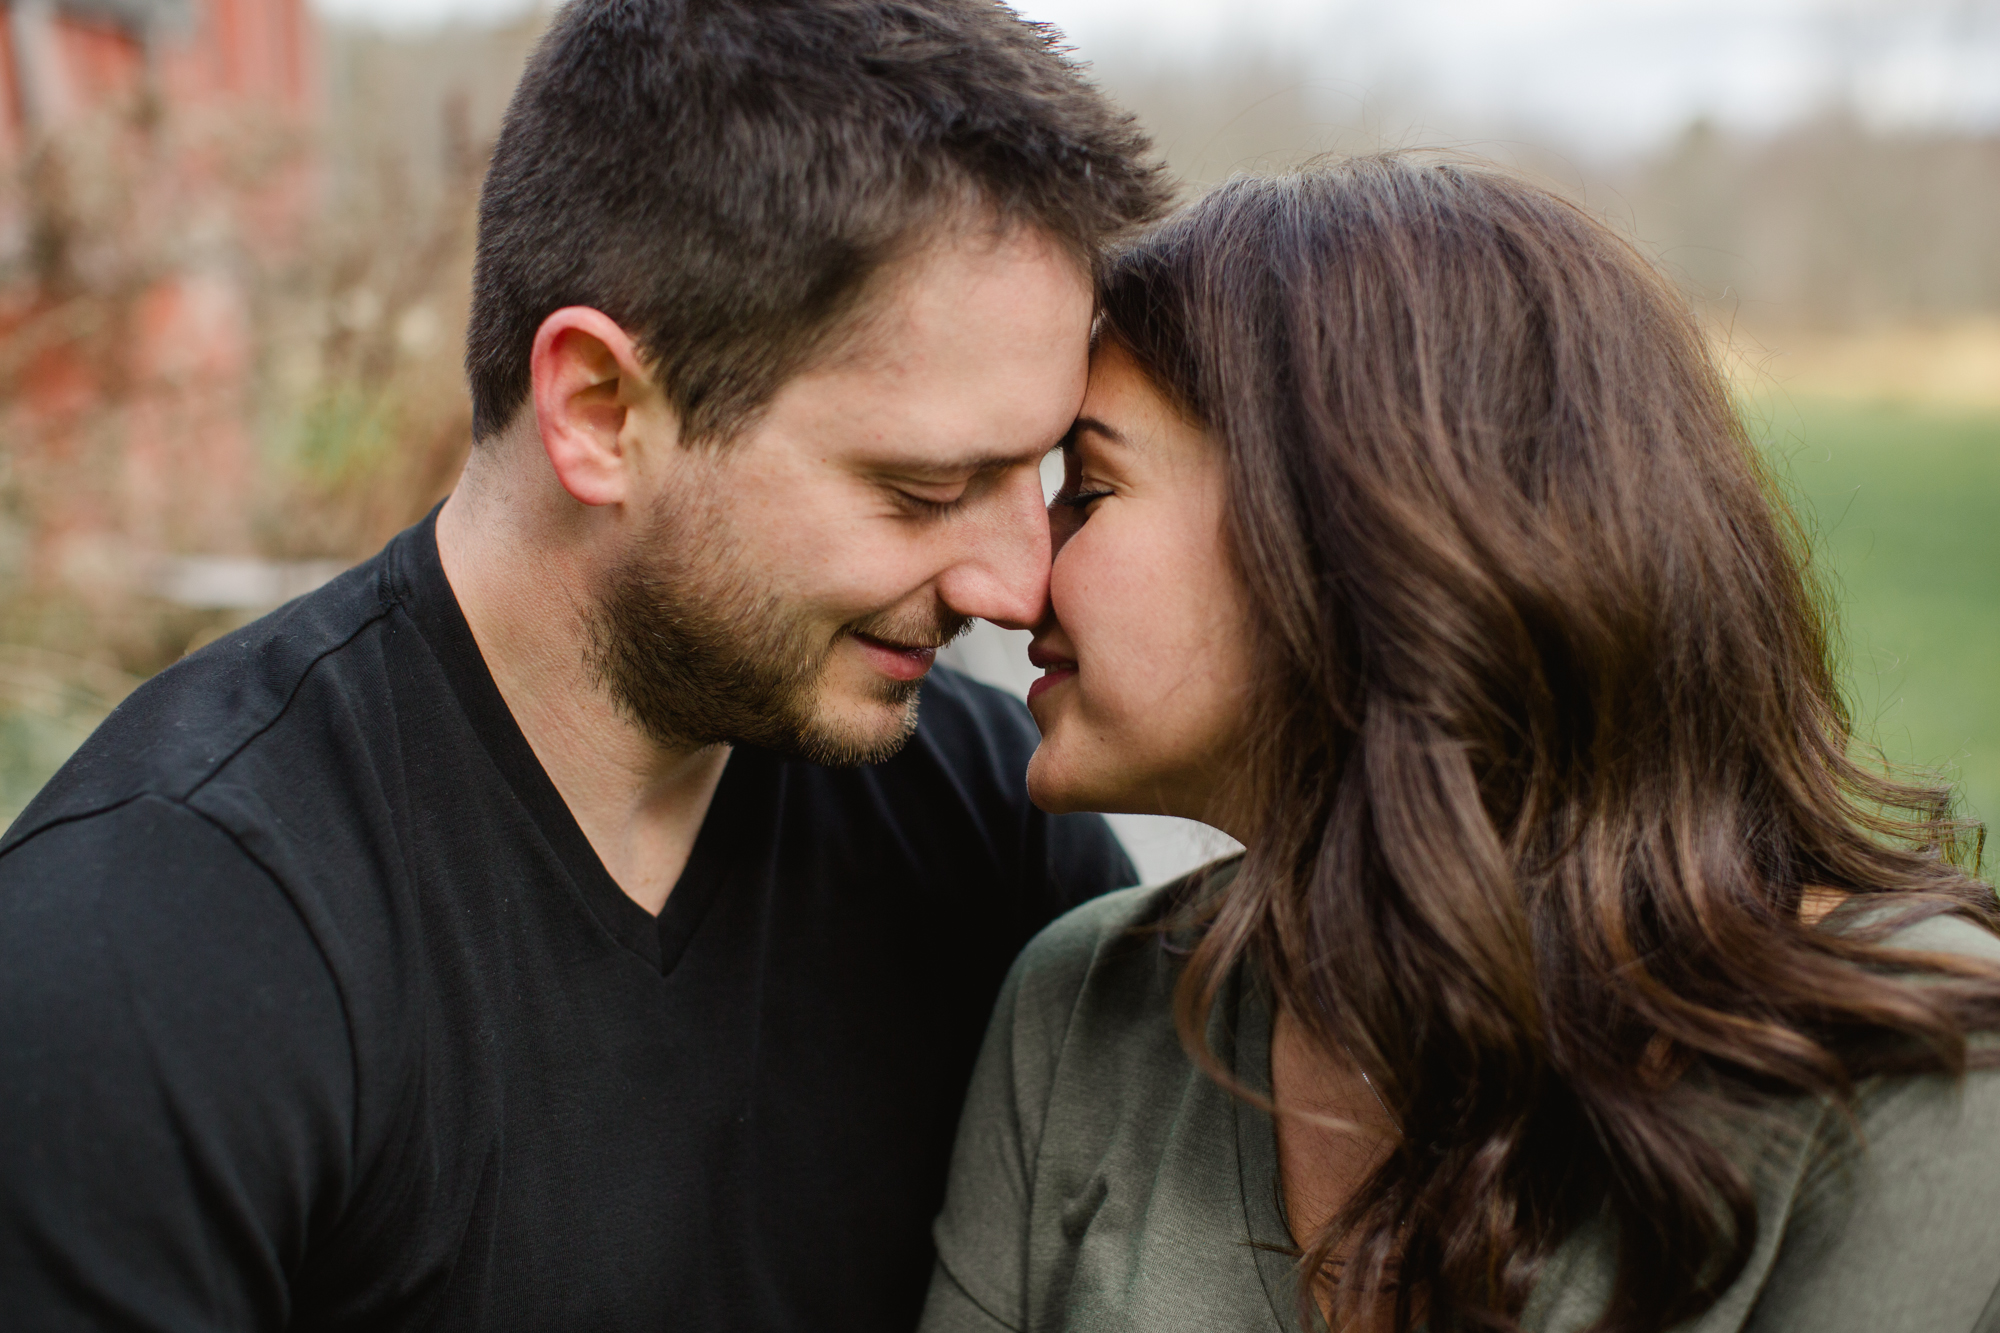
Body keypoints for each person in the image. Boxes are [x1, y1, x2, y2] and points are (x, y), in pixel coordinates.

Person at [0, 2, 1171, 1328]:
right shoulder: (158, 945)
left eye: (1041, 476)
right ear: (603, 412)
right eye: (924, 487)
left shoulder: (988, 828)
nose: (1017, 589)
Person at [922, 154, 2000, 1333]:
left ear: (1354, 532)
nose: (1010, 586)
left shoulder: (1911, 1080)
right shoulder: (1080, 1012)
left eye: (1087, 486)